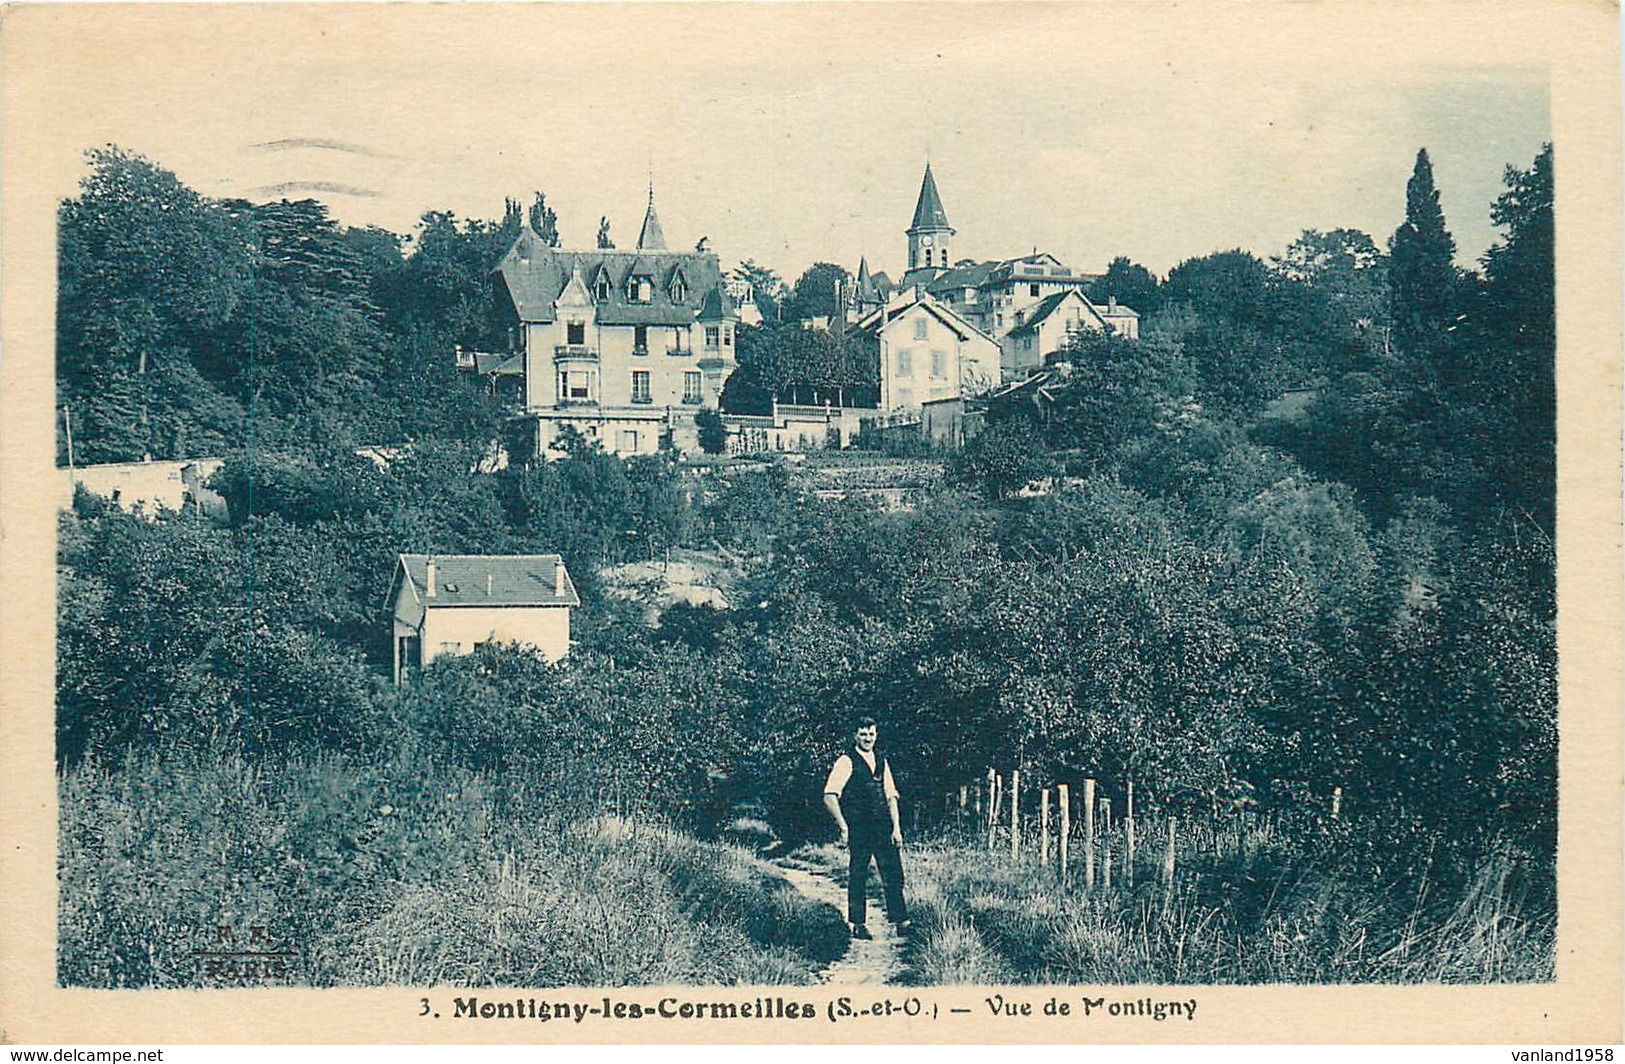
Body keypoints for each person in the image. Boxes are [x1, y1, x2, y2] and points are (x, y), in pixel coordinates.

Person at [822, 716, 909, 939]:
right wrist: (843, 826)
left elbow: (891, 796)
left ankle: (901, 921)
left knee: (893, 874)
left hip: (883, 827)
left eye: (871, 734)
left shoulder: (882, 760)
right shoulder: (846, 760)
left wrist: (896, 828)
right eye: (863, 734)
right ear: (855, 736)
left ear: (876, 735)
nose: (867, 738)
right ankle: (858, 924)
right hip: (859, 828)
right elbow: (830, 795)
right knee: (858, 874)